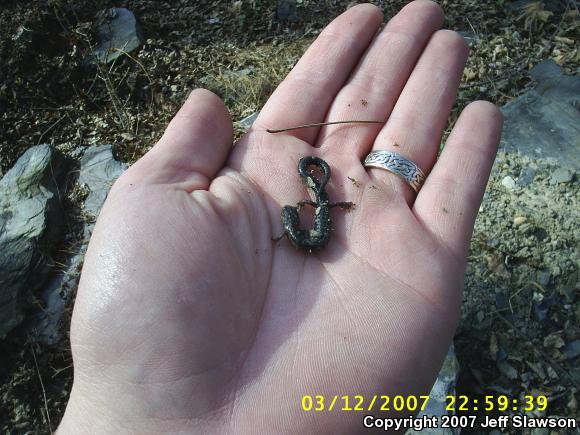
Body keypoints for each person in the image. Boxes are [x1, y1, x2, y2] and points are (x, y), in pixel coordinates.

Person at [57, 1, 502, 433]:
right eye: (291, 218)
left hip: (324, 210)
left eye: (292, 216)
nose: (290, 214)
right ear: (294, 229)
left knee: (323, 197)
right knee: (322, 198)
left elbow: (307, 218)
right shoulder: (306, 225)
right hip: (324, 212)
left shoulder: (306, 225)